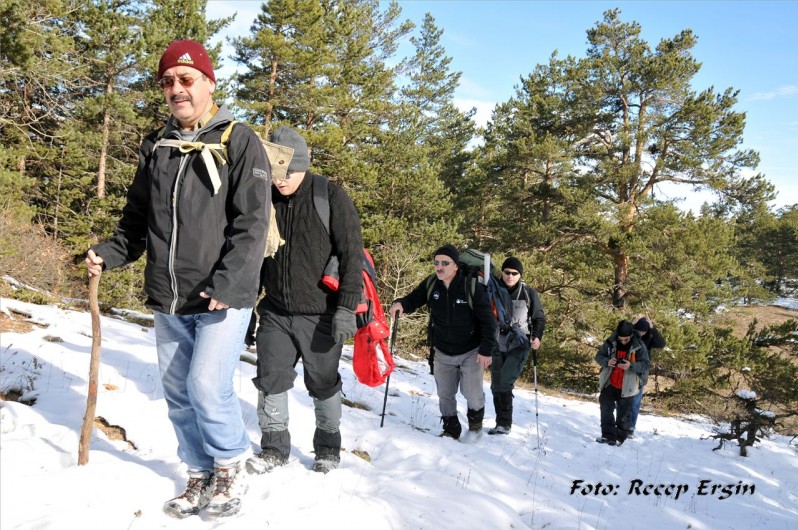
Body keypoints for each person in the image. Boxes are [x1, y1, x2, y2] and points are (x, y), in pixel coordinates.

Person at [85, 40, 270, 518]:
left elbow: (252, 224)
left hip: (222, 296)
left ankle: (229, 464)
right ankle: (198, 471)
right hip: (169, 296)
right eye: (168, 81)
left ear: (208, 84)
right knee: (179, 392)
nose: (176, 89)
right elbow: (137, 220)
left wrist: (228, 285)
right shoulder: (158, 146)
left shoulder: (239, 140)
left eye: (186, 79)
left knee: (208, 386)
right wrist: (108, 254)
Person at [246, 126, 363, 475]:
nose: (280, 180)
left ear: (304, 165)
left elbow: (352, 254)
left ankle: (327, 448)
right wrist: (246, 307)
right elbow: (251, 257)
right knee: (271, 378)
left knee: (323, 383)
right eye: (276, 172)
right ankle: (274, 448)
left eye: (288, 173)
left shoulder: (330, 196)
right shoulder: (263, 197)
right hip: (276, 311)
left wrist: (346, 308)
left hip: (321, 314)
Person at [389, 245, 498, 440]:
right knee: (445, 394)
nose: (440, 267)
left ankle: (474, 427)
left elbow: (489, 322)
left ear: (455, 266)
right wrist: (401, 304)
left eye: (445, 263)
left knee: (472, 393)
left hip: (471, 350)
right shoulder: (432, 284)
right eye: (437, 263)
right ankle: (451, 429)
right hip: (442, 350)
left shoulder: (470, 287)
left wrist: (486, 349)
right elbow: (414, 298)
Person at [488, 257, 546, 435]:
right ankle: (500, 422)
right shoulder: (493, 289)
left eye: (514, 273)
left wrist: (536, 336)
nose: (510, 276)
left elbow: (539, 317)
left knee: (505, 381)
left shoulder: (528, 293)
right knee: (495, 384)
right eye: (507, 272)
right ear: (502, 272)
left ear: (520, 275)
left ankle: (505, 424)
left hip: (519, 344)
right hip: (496, 342)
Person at [594, 320, 650, 446]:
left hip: (628, 386)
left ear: (631, 336)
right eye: (621, 339)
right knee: (606, 409)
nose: (623, 342)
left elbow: (646, 365)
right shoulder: (610, 341)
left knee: (624, 415)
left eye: (626, 339)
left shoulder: (639, 345)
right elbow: (598, 356)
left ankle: (620, 437)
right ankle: (607, 436)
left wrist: (631, 365)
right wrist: (607, 362)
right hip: (609, 382)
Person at [627, 315, 666, 437]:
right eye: (639, 331)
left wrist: (652, 328)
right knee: (622, 402)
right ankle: (621, 426)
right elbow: (618, 336)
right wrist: (631, 325)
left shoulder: (650, 337)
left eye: (644, 331)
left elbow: (661, 343)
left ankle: (630, 429)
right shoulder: (630, 336)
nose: (641, 333)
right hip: (626, 372)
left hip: (640, 375)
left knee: (635, 403)